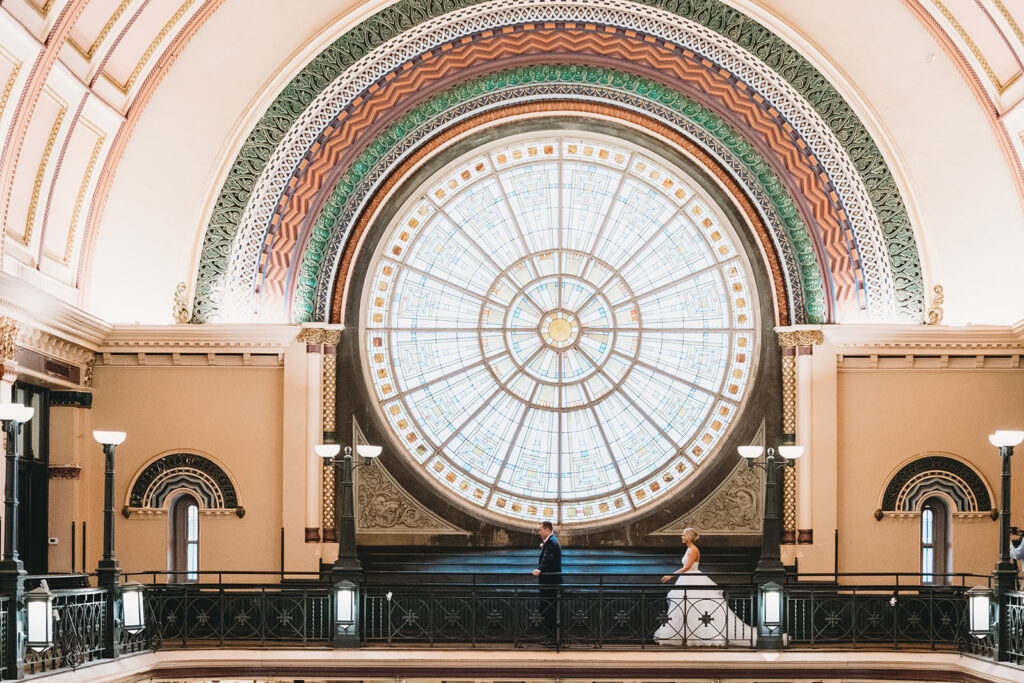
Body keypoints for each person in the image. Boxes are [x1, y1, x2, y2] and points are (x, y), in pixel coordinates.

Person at [653, 527, 755, 646]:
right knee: (685, 607)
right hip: (686, 579)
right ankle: (684, 634)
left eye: (683, 535)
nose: (681, 537)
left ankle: (701, 635)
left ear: (689, 537)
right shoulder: (689, 549)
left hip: (692, 578)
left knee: (697, 607)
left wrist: (671, 576)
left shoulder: (693, 550)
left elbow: (687, 567)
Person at [533, 520, 561, 641]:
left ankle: (552, 637)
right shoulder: (553, 541)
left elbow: (547, 558)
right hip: (553, 581)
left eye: (540, 530)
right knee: (550, 610)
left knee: (548, 610)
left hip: (549, 582)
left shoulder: (550, 542)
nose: (539, 532)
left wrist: (539, 570)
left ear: (547, 529)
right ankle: (552, 637)